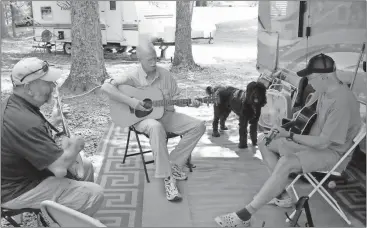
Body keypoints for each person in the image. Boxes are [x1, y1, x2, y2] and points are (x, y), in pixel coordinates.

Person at [214, 53, 362, 227]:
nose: (309, 81)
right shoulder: (323, 90)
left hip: (331, 154)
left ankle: (245, 215)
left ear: (325, 76)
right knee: (264, 140)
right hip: (310, 142)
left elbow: (323, 143)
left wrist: (289, 135)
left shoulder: (342, 102)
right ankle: (282, 195)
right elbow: (306, 116)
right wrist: (287, 127)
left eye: (311, 78)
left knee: (286, 162)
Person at [101, 36, 206, 201]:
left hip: (166, 114)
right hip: (141, 119)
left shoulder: (165, 74)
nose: (153, 62)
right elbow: (106, 87)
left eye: (155, 58)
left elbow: (176, 96)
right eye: (149, 59)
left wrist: (191, 102)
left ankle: (174, 164)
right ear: (139, 59)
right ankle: (169, 179)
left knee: (198, 126)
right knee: (156, 127)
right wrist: (132, 102)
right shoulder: (132, 76)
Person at [1, 57, 104, 217]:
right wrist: (76, 145)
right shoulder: (25, 120)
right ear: (29, 88)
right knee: (95, 193)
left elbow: (28, 138)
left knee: (86, 166)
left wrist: (53, 121)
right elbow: (59, 169)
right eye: (48, 82)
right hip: (15, 190)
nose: (54, 86)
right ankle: (72, 217)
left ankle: (74, 214)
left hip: (20, 175)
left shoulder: (14, 104)